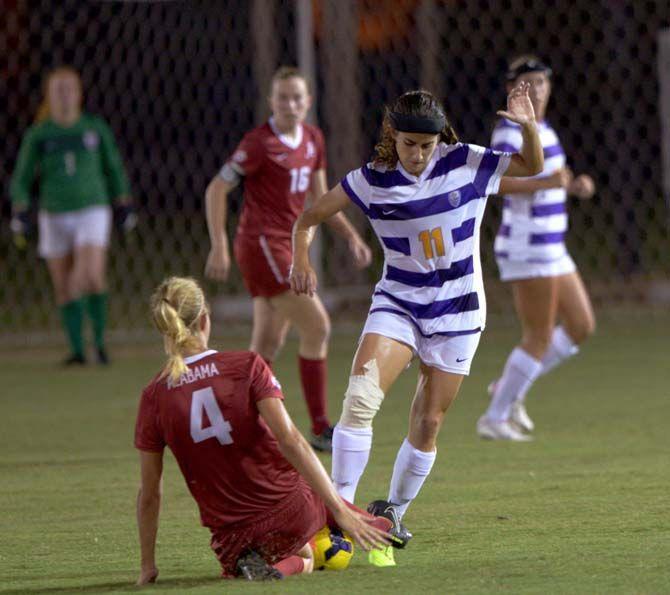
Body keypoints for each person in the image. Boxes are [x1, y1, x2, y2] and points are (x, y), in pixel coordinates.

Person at [290, 83, 544, 565]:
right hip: (399, 305)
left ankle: (392, 512)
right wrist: (301, 259)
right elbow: (307, 219)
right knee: (361, 398)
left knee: (428, 422)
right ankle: (338, 511)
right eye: (409, 144)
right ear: (393, 137)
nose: (418, 154)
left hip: (460, 313)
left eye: (426, 145)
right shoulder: (370, 180)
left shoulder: (465, 161)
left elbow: (532, 166)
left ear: (439, 139)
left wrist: (527, 128)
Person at [134, 277, 405, 584]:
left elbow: (150, 494)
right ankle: (380, 523)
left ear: (164, 329)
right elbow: (291, 441)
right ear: (205, 319)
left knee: (293, 549)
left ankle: (269, 562)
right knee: (311, 512)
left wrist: (148, 567)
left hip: (234, 536)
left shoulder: (153, 397)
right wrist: (338, 512)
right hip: (291, 510)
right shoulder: (246, 365)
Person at [204, 66, 372, 452]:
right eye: (283, 97)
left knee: (266, 346)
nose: (290, 104)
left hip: (289, 245)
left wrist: (350, 237)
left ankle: (234, 423)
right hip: (263, 245)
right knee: (318, 326)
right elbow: (216, 189)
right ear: (271, 102)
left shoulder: (313, 138)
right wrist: (219, 244)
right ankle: (319, 426)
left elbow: (319, 199)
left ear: (309, 101)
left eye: (297, 97)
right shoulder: (258, 143)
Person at [477, 56, 596, 441]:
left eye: (541, 82)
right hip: (526, 244)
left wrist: (573, 185)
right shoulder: (509, 133)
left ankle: (509, 387)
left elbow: (552, 178)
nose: (536, 90)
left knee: (580, 326)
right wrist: (547, 184)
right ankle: (494, 417)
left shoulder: (544, 129)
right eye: (526, 83)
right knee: (539, 335)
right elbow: (497, 183)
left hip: (552, 244)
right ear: (512, 90)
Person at [10, 66, 134, 365]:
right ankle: (79, 351)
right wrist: (21, 207)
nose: (64, 95)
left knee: (89, 276)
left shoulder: (93, 128)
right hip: (54, 213)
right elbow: (22, 177)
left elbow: (113, 167)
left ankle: (100, 344)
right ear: (48, 96)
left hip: (92, 208)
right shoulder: (40, 134)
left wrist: (124, 202)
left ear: (79, 94)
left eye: (69, 89)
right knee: (64, 286)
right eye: (58, 90)